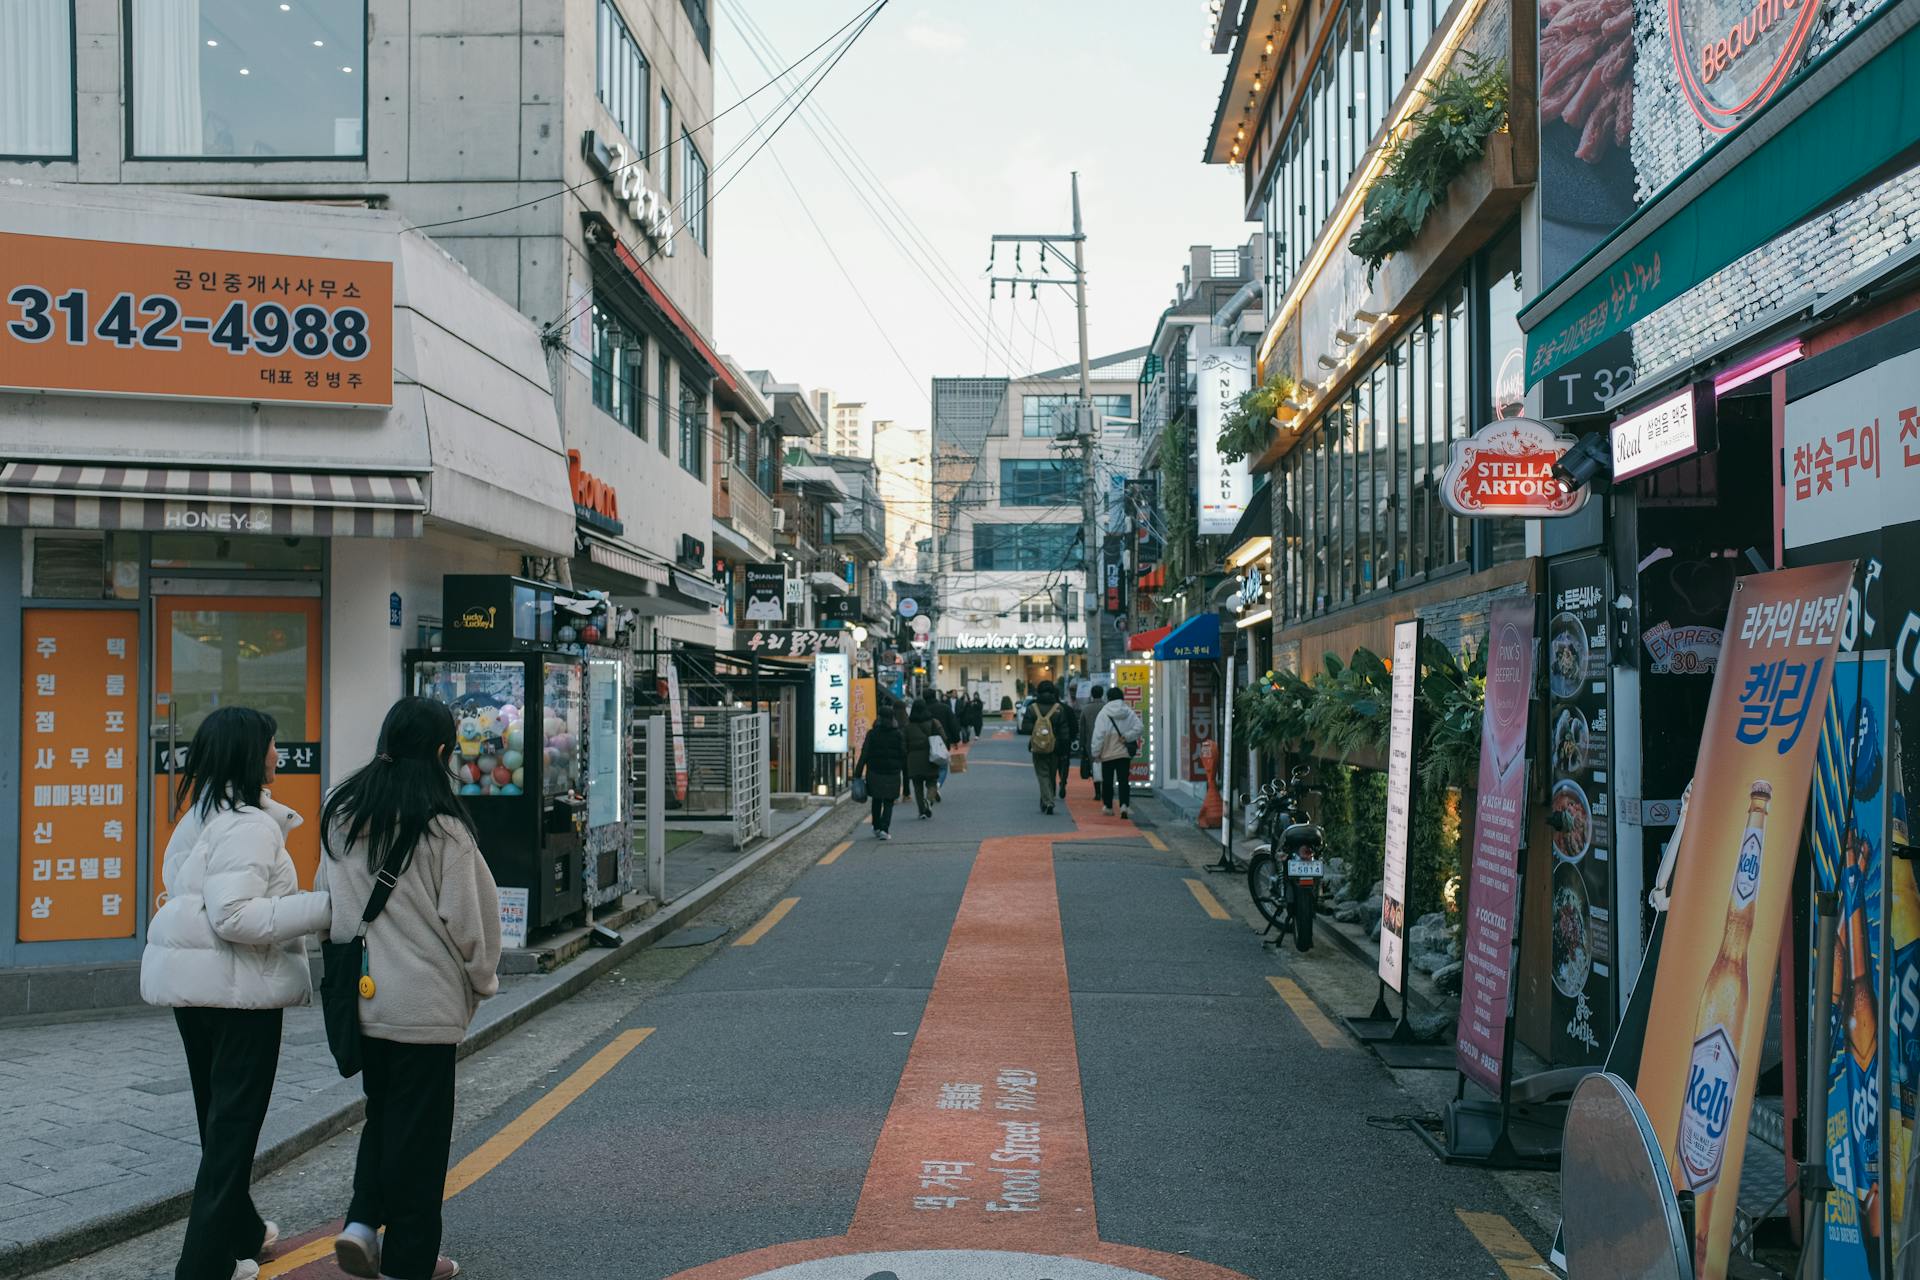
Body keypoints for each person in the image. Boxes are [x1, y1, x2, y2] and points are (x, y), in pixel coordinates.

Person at [141, 707, 332, 1280]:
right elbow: (235, 917)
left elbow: (185, 895)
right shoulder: (249, 824)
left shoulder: (196, 816)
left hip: (193, 991)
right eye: (273, 746)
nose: (279, 755)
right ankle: (200, 1265)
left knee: (216, 1119)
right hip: (239, 992)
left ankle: (243, 1232)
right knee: (233, 1128)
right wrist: (325, 908)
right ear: (252, 755)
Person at [320, 697, 501, 1280]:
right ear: (443, 752)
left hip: (364, 1001)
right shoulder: (444, 828)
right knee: (421, 1143)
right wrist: (482, 981)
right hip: (424, 1005)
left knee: (385, 1116)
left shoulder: (341, 813)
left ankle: (359, 1222)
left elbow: (331, 906)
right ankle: (408, 1262)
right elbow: (474, 922)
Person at [1090, 686, 1146, 819]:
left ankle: (1108, 807)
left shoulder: (1103, 713)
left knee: (1107, 781)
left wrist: (1095, 752)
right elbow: (1139, 728)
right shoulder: (1128, 711)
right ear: (1122, 697)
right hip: (1123, 753)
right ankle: (1124, 806)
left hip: (1107, 753)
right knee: (1123, 781)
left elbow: (1098, 735)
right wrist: (1127, 736)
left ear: (1108, 698)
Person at [853, 702, 906, 840]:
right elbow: (903, 753)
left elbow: (864, 754)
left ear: (879, 717)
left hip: (875, 772)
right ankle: (884, 828)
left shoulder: (872, 733)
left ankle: (876, 826)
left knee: (876, 799)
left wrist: (857, 773)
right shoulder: (897, 734)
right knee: (889, 801)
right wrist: (902, 768)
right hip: (892, 773)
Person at [1021, 681, 1074, 814]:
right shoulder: (1058, 709)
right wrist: (1063, 747)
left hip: (1038, 747)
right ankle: (1048, 799)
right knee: (1051, 775)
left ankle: (1048, 801)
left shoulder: (1033, 708)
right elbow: (1064, 731)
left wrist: (1038, 732)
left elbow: (1025, 727)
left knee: (1042, 775)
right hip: (1055, 747)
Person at [904, 701, 942, 818]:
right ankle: (929, 800)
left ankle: (922, 811)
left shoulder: (908, 726)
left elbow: (904, 745)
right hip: (931, 757)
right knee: (932, 782)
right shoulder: (932, 723)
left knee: (917, 786)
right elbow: (942, 738)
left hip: (913, 759)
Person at [1079, 685, 1106, 805]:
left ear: (1092, 694)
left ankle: (1098, 793)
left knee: (1095, 766)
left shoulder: (1086, 709)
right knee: (1106, 767)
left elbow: (1082, 729)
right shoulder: (1106, 707)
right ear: (1102, 694)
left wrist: (1082, 745)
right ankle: (1106, 791)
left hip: (1091, 742)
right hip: (1106, 742)